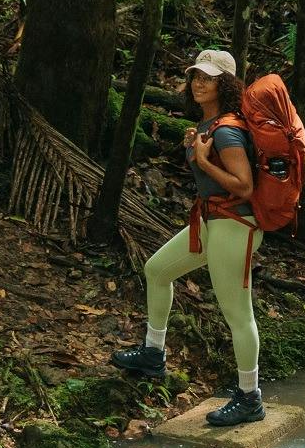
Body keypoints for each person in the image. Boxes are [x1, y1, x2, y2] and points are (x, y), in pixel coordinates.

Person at [110, 49, 268, 425]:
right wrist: (195, 150)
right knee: (157, 270)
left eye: (209, 78)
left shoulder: (227, 130)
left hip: (235, 226)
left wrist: (204, 160)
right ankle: (153, 353)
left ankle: (250, 397)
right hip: (212, 223)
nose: (199, 82)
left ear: (225, 84)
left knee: (237, 314)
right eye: (196, 75)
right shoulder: (210, 126)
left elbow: (244, 187)